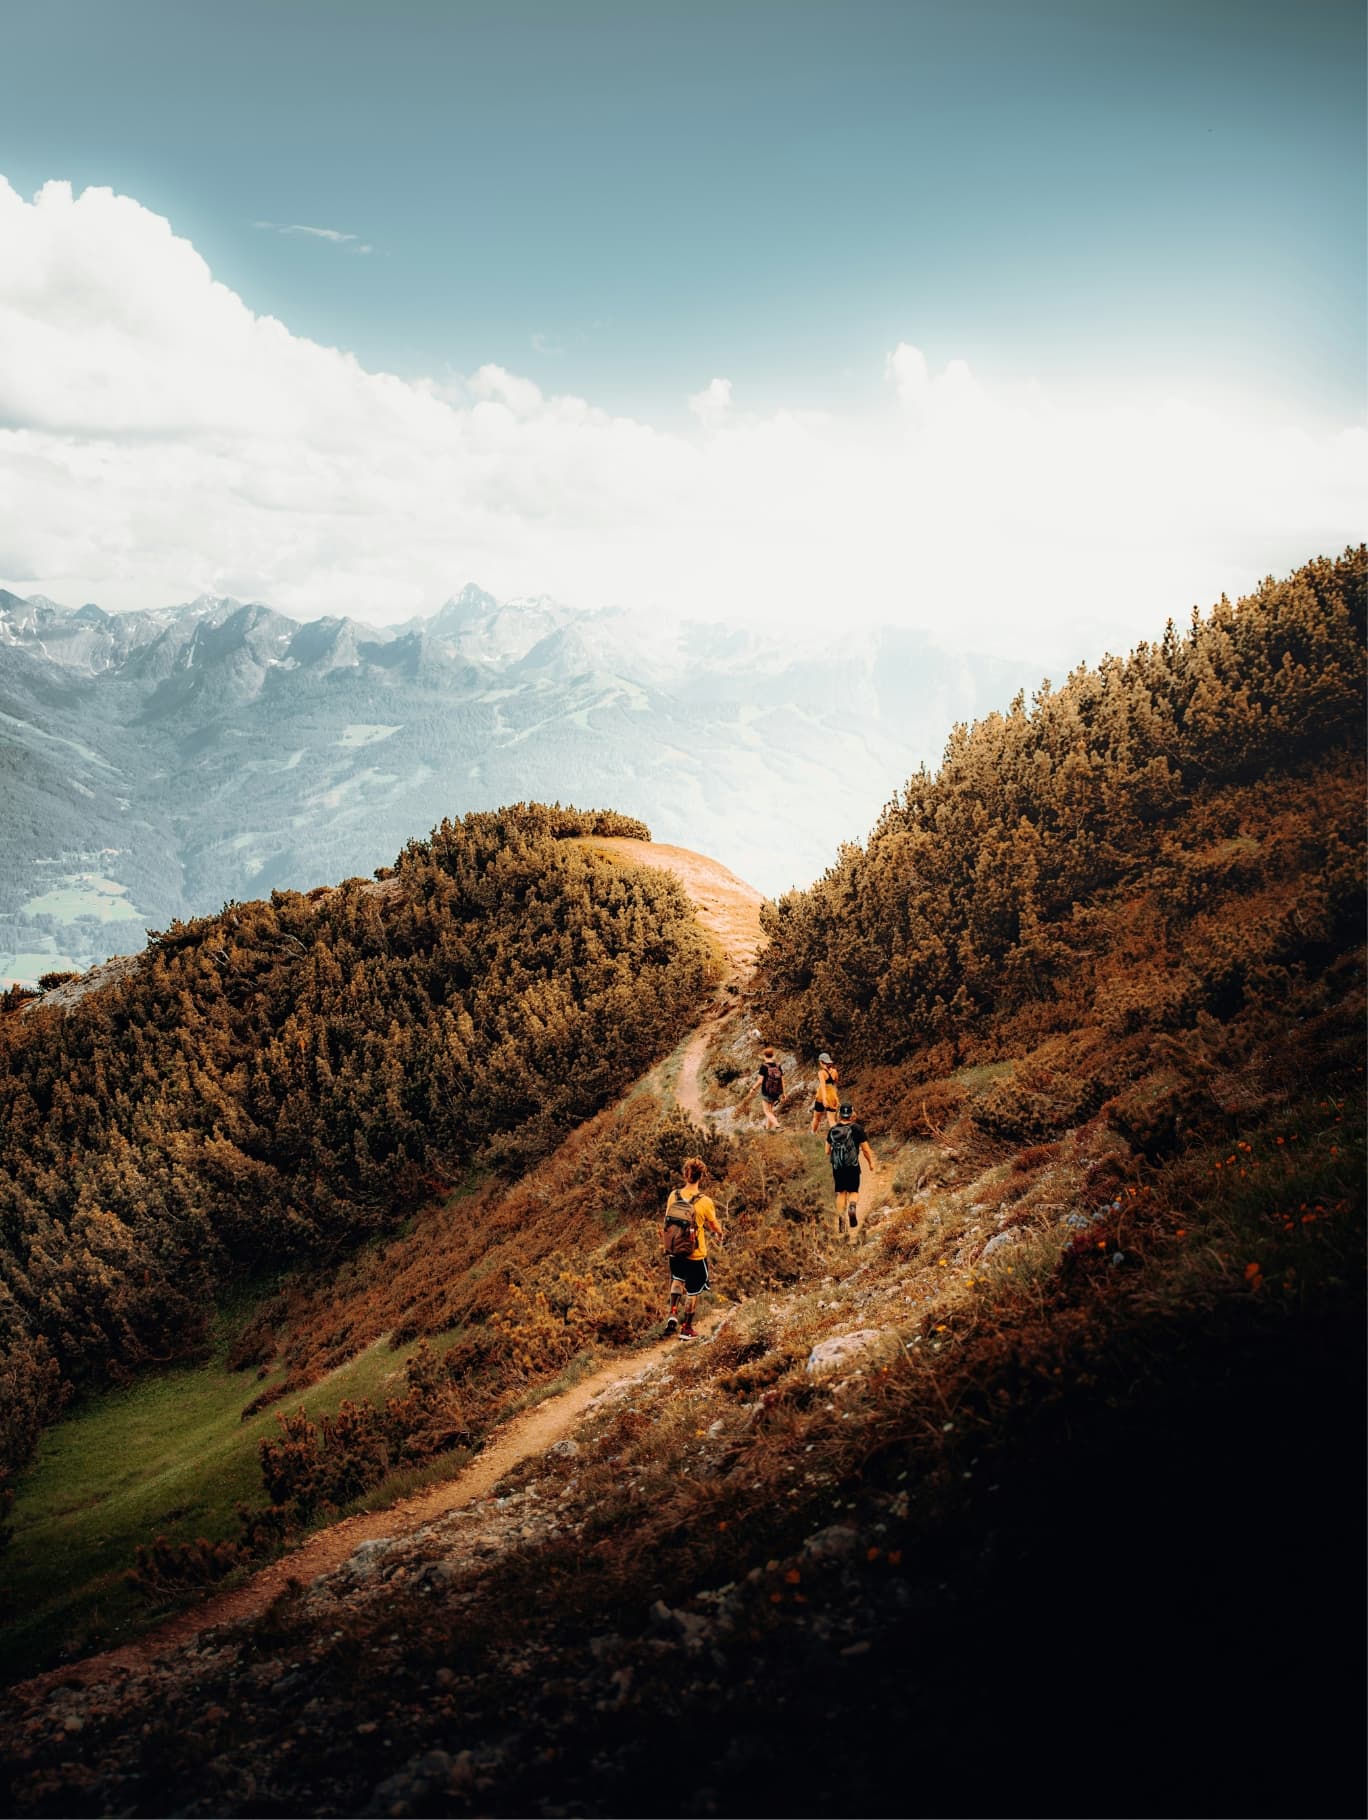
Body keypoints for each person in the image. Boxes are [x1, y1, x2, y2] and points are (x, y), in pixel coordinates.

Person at [661, 1156, 723, 1338]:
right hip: (695, 1254)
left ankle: (672, 1314)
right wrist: (719, 1233)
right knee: (693, 1290)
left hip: (674, 1251)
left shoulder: (673, 1195)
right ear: (701, 1176)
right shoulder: (705, 1202)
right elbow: (713, 1225)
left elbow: (667, 1220)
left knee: (677, 1280)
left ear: (685, 1174)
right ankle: (687, 1328)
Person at [825, 1102, 876, 1243]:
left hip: (838, 1167)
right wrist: (871, 1163)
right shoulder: (857, 1129)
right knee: (853, 1191)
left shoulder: (833, 1130)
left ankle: (841, 1217)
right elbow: (865, 1149)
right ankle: (852, 1208)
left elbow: (826, 1151)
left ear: (839, 1114)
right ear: (852, 1114)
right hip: (852, 1166)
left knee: (841, 1192)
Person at [738, 1046, 785, 1129]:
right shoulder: (778, 1066)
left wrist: (753, 1088)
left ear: (764, 1056)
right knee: (770, 1111)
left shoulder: (764, 1067)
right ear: (773, 1055)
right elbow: (782, 1080)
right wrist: (783, 1093)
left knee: (767, 1112)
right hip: (776, 1092)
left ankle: (778, 1126)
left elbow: (760, 1081)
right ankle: (768, 1130)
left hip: (766, 1092)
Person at [810, 1051, 840, 1133]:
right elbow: (835, 1084)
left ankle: (813, 1133)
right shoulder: (835, 1072)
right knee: (831, 1120)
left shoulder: (821, 1073)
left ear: (821, 1062)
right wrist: (836, 1097)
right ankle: (838, 1135)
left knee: (816, 1117)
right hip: (832, 1096)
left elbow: (823, 1086)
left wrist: (824, 1099)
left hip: (821, 1097)